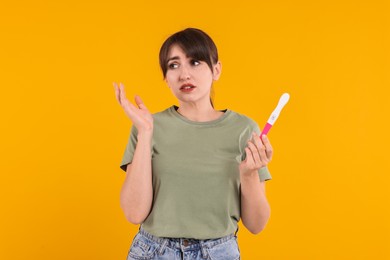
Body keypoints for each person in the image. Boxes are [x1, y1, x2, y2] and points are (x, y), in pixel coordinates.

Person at [114, 28, 273, 260]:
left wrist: (249, 175)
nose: (184, 74)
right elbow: (133, 213)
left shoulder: (244, 130)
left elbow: (257, 225)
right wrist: (146, 132)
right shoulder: (147, 125)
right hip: (154, 252)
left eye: (195, 62)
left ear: (216, 70)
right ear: (166, 79)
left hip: (219, 252)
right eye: (174, 65)